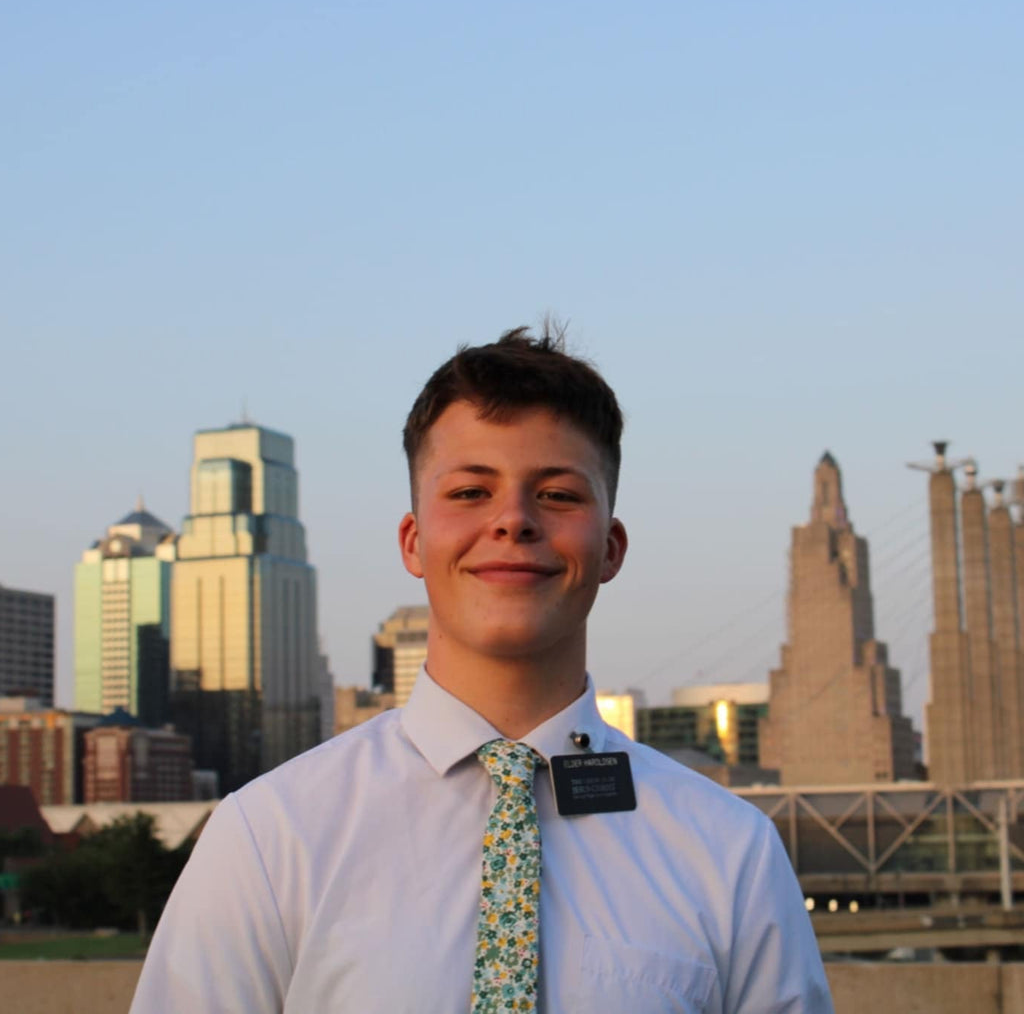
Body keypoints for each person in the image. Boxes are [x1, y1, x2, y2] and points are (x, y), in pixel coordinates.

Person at [130, 325, 833, 1013]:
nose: (513, 520)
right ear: (413, 540)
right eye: (470, 492)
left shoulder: (729, 852)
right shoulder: (269, 836)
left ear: (612, 547)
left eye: (558, 494)